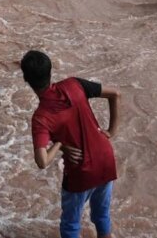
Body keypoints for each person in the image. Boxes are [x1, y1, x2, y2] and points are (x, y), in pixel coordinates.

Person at [21, 50, 120, 238]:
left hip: (81, 170)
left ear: (26, 79)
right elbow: (115, 94)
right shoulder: (74, 84)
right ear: (50, 71)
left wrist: (59, 143)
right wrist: (111, 131)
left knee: (71, 225)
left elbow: (42, 161)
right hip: (106, 157)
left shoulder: (41, 117)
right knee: (102, 215)